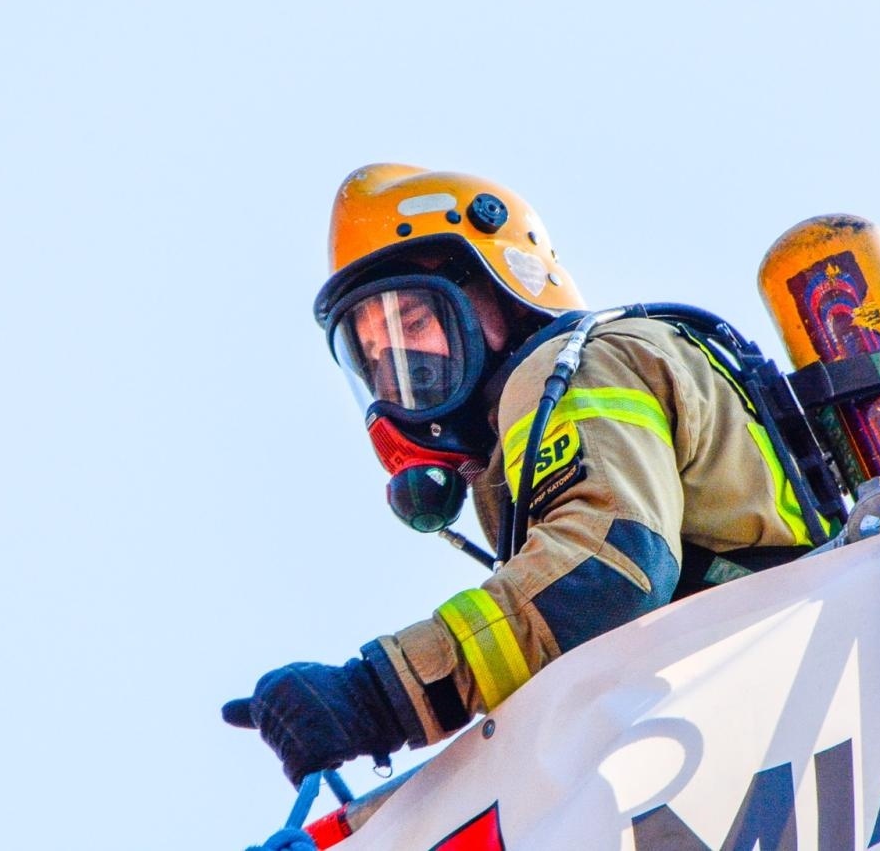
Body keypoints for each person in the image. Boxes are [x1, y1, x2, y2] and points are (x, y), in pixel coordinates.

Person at [222, 164, 830, 784]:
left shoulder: (571, 367)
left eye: (413, 324)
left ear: (501, 290)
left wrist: (375, 695)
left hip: (791, 700)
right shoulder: (522, 436)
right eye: (376, 356)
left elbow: (609, 569)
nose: (402, 366)